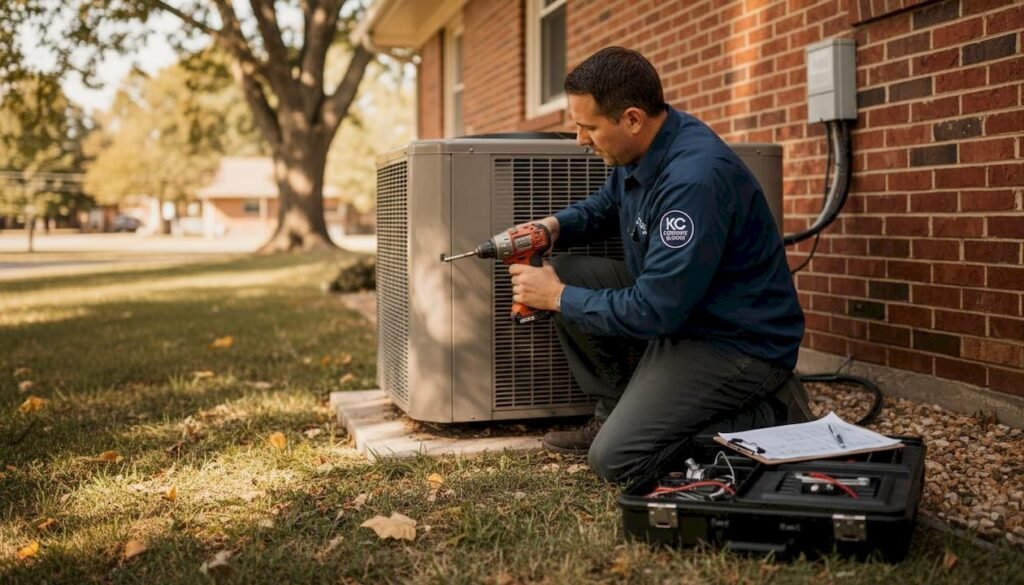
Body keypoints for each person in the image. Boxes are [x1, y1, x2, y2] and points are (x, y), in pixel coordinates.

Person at [508, 47, 809, 486]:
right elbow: (606, 205)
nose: (579, 139)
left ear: (632, 119)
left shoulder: (694, 180)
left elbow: (655, 311)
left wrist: (556, 298)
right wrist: (551, 229)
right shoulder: (643, 146)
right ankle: (614, 412)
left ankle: (771, 415)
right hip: (686, 309)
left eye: (588, 127)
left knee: (615, 459)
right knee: (569, 270)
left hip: (735, 342)